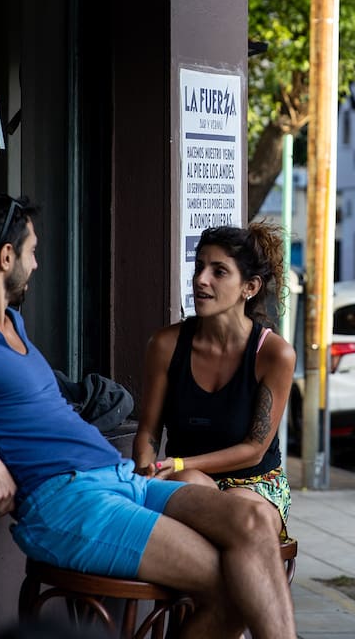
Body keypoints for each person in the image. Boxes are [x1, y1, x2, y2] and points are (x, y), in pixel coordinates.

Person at [0, 190, 295, 638]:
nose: (36, 264)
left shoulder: (12, 324)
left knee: (252, 522)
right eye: (32, 252)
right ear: (6, 257)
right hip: (67, 501)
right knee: (233, 585)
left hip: (121, 480)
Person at [133, 223, 295, 539]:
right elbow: (149, 431)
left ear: (250, 287)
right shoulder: (165, 345)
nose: (201, 279)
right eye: (199, 267)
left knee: (244, 519)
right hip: (187, 478)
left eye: (219, 271)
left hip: (255, 484)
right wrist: (145, 471)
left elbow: (254, 450)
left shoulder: (274, 354)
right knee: (189, 486)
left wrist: (180, 463)